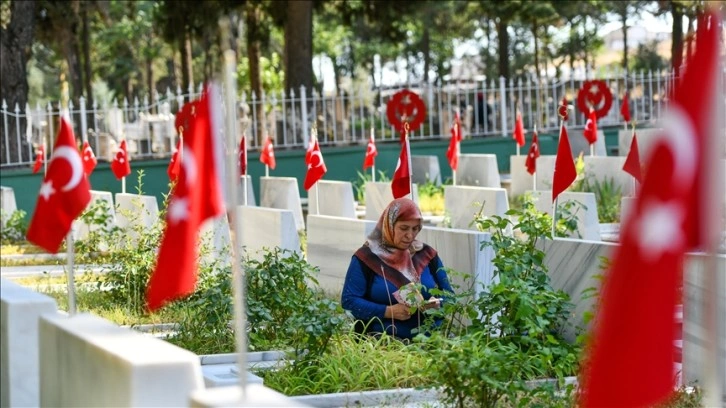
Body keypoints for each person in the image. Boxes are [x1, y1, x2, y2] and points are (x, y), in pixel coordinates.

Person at [341, 197, 454, 340]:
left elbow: (450, 296)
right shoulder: (367, 258)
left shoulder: (427, 255)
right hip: (383, 342)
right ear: (388, 225)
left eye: (415, 229)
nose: (410, 235)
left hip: (431, 341)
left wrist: (438, 304)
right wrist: (387, 311)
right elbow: (349, 300)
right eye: (404, 228)